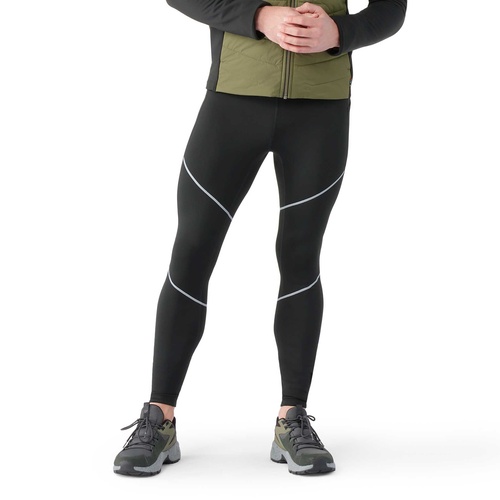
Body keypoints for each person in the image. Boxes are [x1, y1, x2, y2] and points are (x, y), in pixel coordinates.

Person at [113, 0, 407, 477]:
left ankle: (293, 418)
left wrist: (341, 33)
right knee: (192, 250)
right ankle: (158, 417)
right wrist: (258, 17)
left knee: (301, 256)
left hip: (321, 108)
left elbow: (392, 9)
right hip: (233, 99)